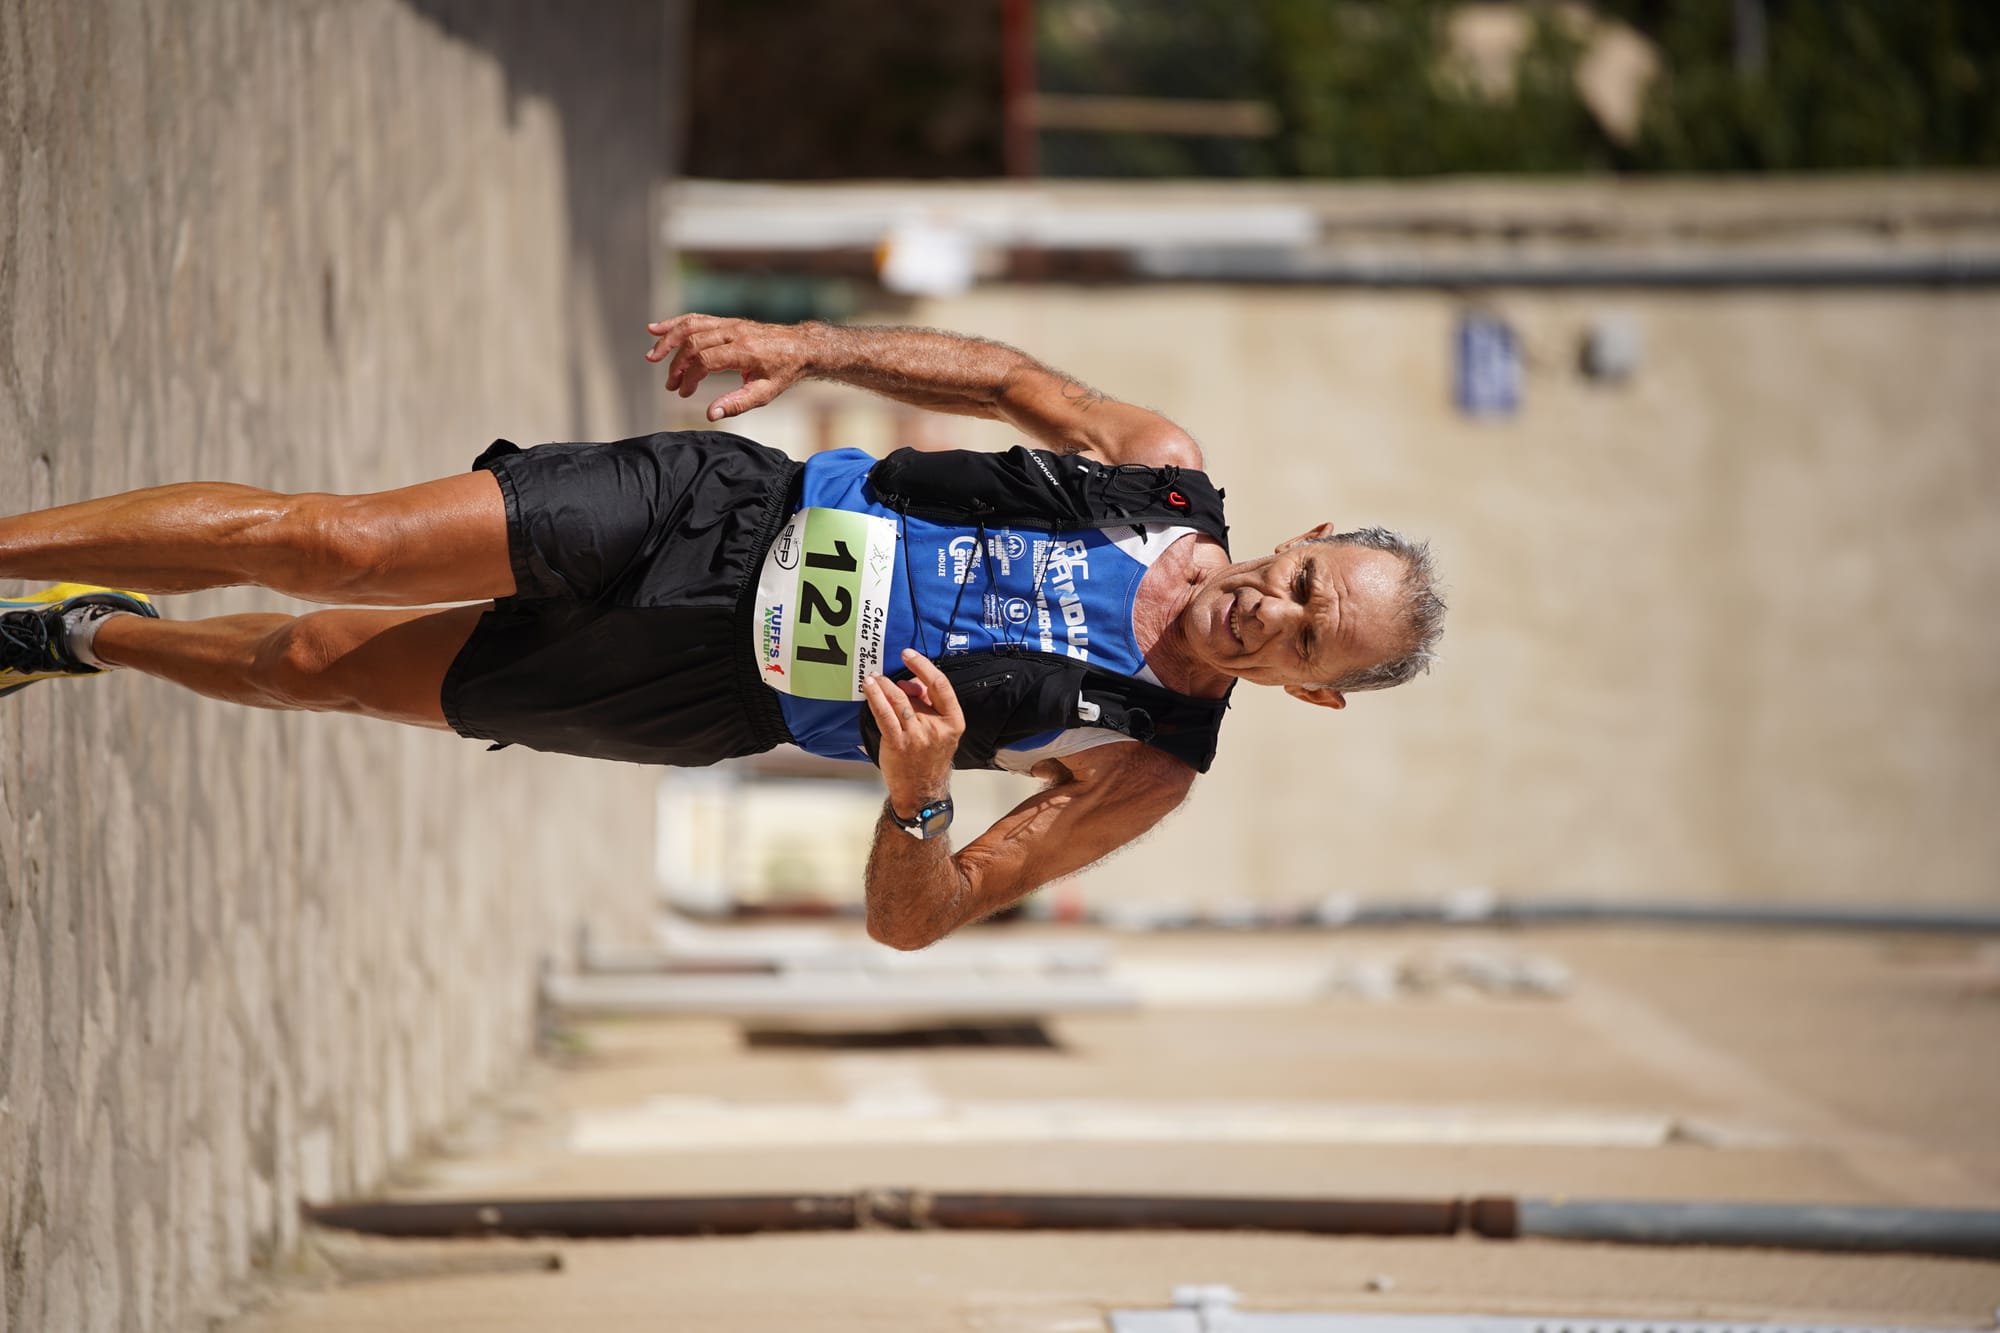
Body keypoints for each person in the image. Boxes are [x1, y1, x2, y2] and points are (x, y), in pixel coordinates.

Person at [0, 314, 1443, 947]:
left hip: (702, 691)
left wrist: (922, 796)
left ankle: (81, 637)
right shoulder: (1158, 468)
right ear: (1302, 536)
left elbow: (915, 919)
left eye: (1312, 642)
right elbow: (1005, 379)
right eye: (1309, 583)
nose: (1278, 613)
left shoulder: (1148, 760)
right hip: (713, 509)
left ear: (1312, 693)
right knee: (337, 544)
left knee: (311, 665)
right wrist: (809, 347)